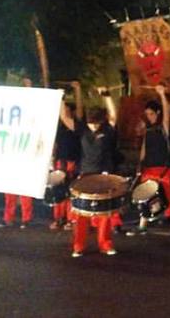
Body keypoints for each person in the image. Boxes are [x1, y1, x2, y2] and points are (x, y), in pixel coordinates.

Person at [127, 84, 170, 241]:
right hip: (149, 167)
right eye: (147, 114)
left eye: (152, 113)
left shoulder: (163, 127)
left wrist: (162, 95)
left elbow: (166, 113)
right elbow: (144, 147)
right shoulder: (148, 129)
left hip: (164, 168)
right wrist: (140, 163)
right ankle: (142, 225)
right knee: (145, 196)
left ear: (157, 113)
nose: (149, 116)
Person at [71, 91, 121, 257]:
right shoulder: (82, 129)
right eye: (91, 123)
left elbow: (113, 115)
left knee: (105, 214)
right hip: (85, 174)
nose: (94, 126)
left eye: (96, 123)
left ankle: (105, 244)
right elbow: (65, 118)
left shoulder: (107, 129)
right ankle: (78, 246)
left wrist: (107, 97)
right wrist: (61, 100)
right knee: (81, 213)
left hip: (103, 175)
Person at [0, 76, 36, 229]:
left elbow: (31, 108)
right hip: (10, 157)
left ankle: (26, 218)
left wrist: (29, 89)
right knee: (9, 192)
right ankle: (8, 218)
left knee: (24, 191)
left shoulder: (28, 121)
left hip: (24, 157)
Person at [52, 81, 83, 230]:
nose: (65, 112)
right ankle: (59, 218)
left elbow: (80, 109)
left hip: (73, 160)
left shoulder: (77, 124)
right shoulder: (59, 126)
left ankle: (71, 219)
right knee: (58, 189)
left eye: (68, 110)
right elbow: (56, 143)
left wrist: (78, 91)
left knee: (70, 190)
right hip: (61, 160)